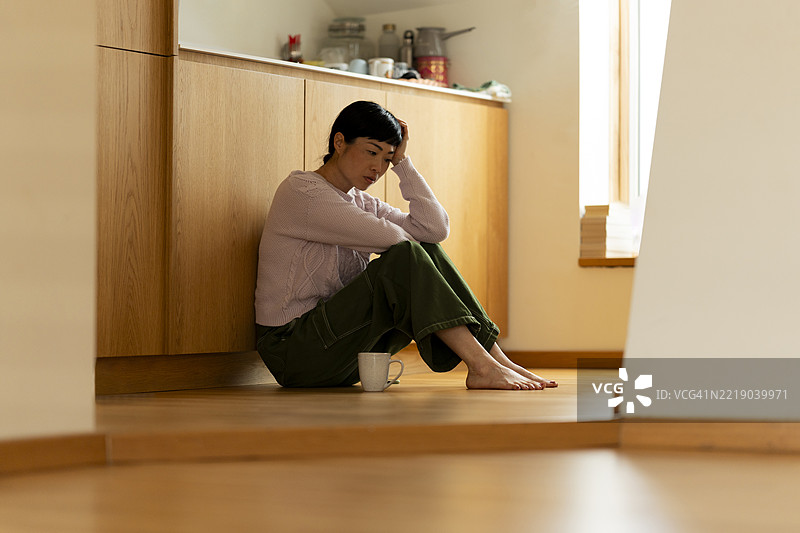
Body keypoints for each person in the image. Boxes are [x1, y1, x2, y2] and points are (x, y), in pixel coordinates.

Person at [254, 101, 557, 391]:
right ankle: (482, 366)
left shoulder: (361, 201)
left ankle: (496, 361)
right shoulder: (303, 192)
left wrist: (403, 164)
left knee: (425, 248)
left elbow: (434, 229)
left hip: (343, 351)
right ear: (339, 142)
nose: (378, 167)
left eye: (387, 159)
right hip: (293, 350)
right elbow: (397, 241)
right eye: (371, 152)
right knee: (408, 254)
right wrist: (416, 258)